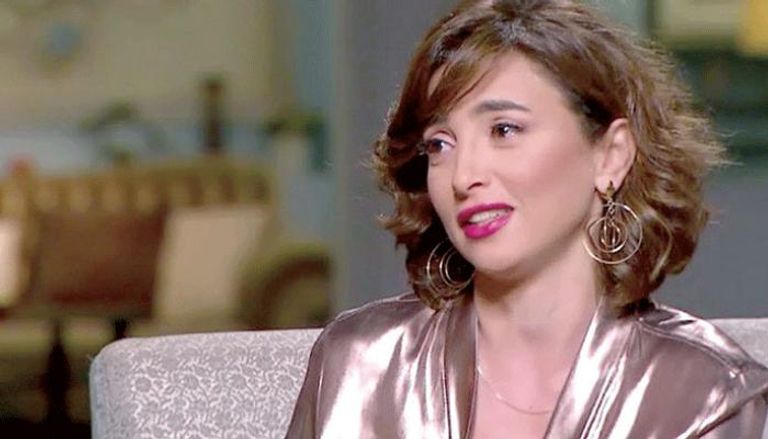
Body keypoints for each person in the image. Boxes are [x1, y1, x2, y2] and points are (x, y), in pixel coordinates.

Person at [286, 0, 768, 437]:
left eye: (504, 130)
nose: (464, 176)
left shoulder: (708, 397)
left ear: (611, 155)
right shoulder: (357, 367)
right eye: (440, 145)